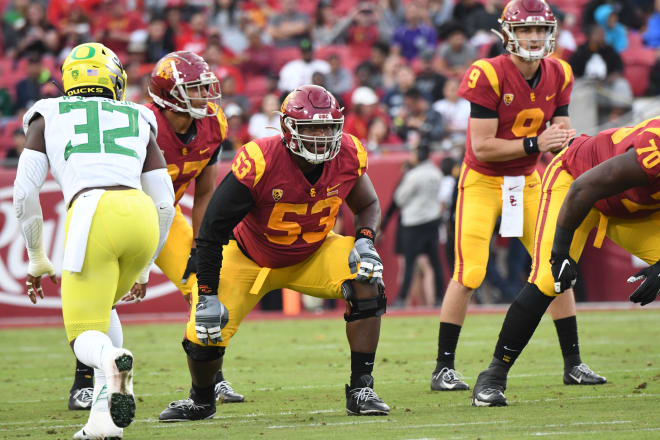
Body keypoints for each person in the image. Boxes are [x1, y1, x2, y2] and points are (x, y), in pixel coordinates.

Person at [158, 84, 390, 421]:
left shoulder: (348, 153)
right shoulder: (261, 160)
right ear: (288, 128)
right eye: (312, 128)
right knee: (203, 330)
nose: (322, 136)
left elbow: (367, 203)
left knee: (368, 279)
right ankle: (202, 399)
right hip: (249, 256)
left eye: (328, 127)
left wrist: (365, 240)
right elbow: (212, 231)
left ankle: (361, 389)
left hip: (313, 252)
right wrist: (207, 293)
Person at [430, 0, 605, 392]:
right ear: (507, 33)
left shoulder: (559, 71)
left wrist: (572, 145)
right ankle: (443, 367)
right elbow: (482, 147)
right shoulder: (487, 74)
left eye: (539, 30)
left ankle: (573, 363)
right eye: (525, 30)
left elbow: (559, 134)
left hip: (528, 180)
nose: (532, 37)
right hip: (483, 179)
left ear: (550, 33)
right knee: (470, 271)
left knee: (555, 267)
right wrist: (535, 142)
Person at [67, 50, 246, 410]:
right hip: (120, 214)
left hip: (167, 215)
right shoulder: (140, 120)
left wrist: (202, 245)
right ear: (170, 95)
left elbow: (206, 189)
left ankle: (212, 377)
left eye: (204, 87)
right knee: (101, 298)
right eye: (195, 89)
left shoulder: (214, 124)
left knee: (205, 287)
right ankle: (84, 382)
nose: (206, 97)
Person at [14, 42, 175, 439]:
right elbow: (166, 204)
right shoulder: (139, 114)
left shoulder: (47, 112)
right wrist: (146, 265)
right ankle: (103, 422)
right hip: (139, 212)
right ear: (114, 79)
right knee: (103, 311)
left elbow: (22, 193)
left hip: (91, 211)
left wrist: (36, 255)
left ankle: (110, 358)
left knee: (83, 332)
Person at [471, 116, 660, 405]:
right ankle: (493, 376)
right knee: (549, 277)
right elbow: (583, 189)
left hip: (635, 209)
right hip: (576, 182)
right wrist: (560, 254)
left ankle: (570, 368)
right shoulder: (654, 149)